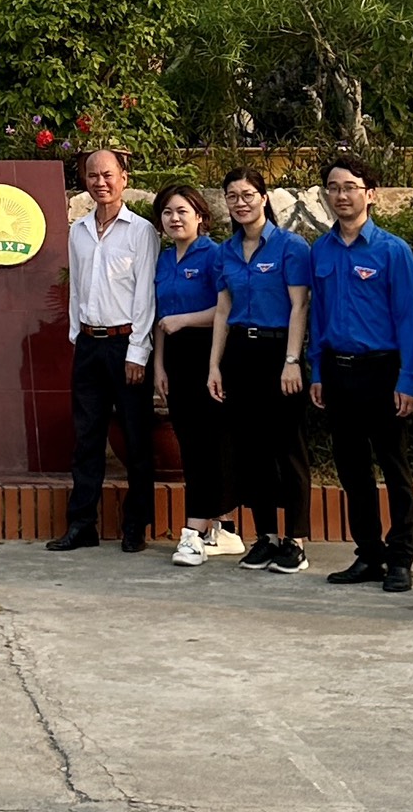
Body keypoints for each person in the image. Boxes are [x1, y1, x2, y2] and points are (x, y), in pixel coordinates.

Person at [308, 157, 413, 591]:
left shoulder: (392, 251)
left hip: (382, 372)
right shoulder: (321, 250)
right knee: (352, 470)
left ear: (370, 193)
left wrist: (408, 379)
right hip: (338, 373)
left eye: (351, 186)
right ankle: (368, 554)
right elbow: (317, 317)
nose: (342, 195)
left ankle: (401, 557)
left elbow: (407, 321)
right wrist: (316, 370)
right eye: (334, 187)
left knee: (394, 467)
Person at [44, 146, 160, 555]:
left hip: (126, 345)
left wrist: (138, 352)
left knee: (135, 440)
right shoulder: (78, 230)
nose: (101, 182)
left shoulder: (141, 231)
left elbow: (145, 294)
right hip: (90, 347)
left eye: (108, 175)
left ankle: (135, 525)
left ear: (124, 178)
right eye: (93, 176)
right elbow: (78, 288)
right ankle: (82, 523)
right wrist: (77, 335)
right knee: (87, 438)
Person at [216, 168, 313, 574]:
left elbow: (299, 306)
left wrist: (291, 361)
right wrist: (213, 367)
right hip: (240, 351)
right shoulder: (227, 250)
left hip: (278, 353)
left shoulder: (290, 246)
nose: (241, 202)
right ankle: (266, 537)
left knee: (287, 449)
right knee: (251, 449)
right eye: (233, 196)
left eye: (248, 194)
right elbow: (223, 309)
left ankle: (296, 541)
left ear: (264, 197)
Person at [149, 180, 238, 566]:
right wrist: (158, 367)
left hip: (211, 356)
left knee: (211, 444)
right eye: (167, 212)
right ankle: (223, 529)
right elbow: (159, 318)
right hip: (176, 359)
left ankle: (194, 531)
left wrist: (183, 320)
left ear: (200, 217)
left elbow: (226, 310)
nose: (174, 218)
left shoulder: (214, 256)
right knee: (191, 444)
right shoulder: (164, 260)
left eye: (182, 211)